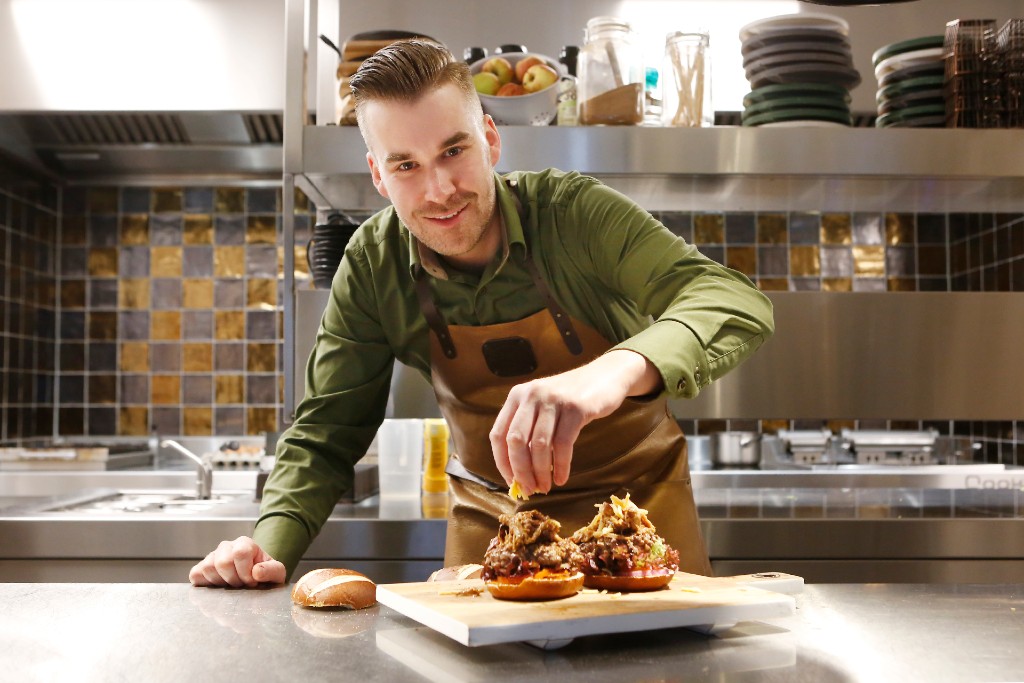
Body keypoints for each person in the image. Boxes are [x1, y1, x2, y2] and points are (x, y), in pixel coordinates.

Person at [189, 39, 774, 588]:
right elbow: (325, 434)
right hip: (492, 526)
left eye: (453, 150)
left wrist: (613, 369)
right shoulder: (372, 264)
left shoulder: (574, 214)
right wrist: (268, 548)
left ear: (490, 140)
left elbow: (732, 297)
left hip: (641, 515)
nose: (439, 189)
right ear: (377, 175)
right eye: (406, 166)